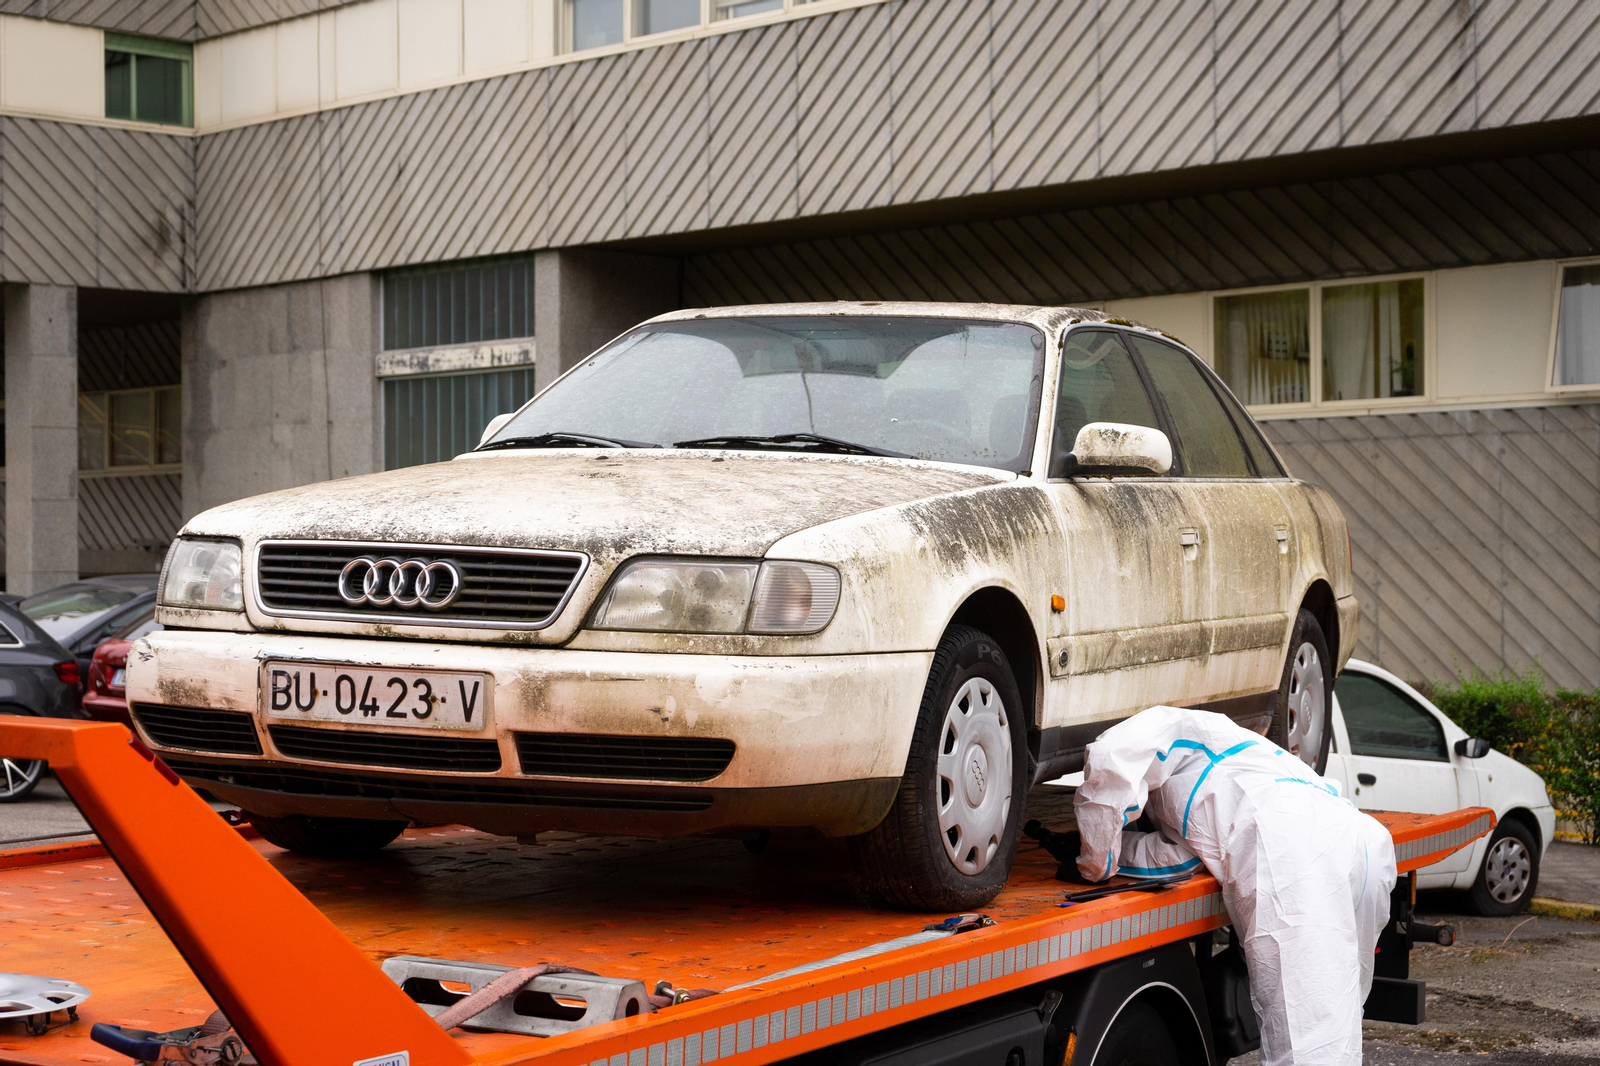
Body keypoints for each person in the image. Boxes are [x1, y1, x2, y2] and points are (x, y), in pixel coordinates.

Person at [1069, 705, 1395, 1066]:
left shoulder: (1151, 731)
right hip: (1361, 838)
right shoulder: (1230, 748)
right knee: (1339, 1015)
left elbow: (1110, 764)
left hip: (1294, 847)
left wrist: (1094, 859)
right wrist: (1123, 850)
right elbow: (1183, 860)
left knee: (1307, 1040)